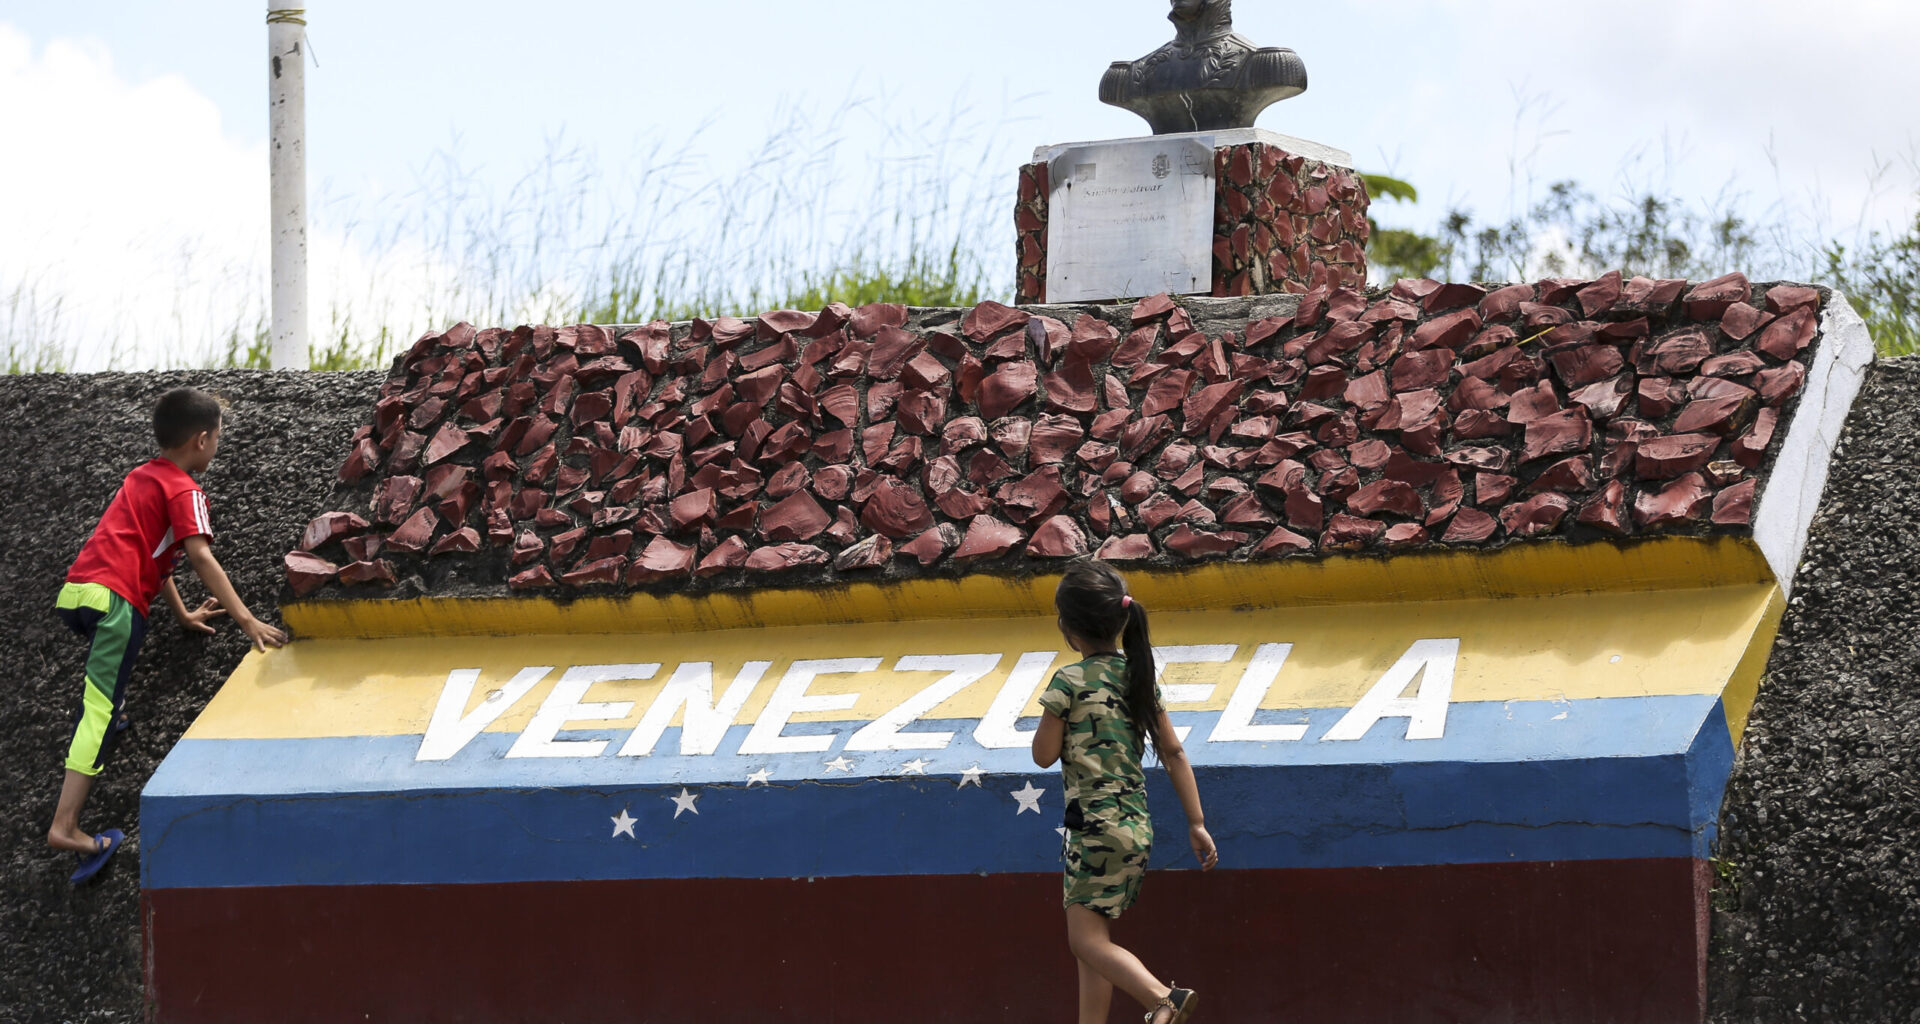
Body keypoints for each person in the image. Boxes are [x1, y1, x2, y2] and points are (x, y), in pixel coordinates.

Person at [48, 386, 286, 884]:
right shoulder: (186, 490)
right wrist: (247, 621)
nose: (217, 445)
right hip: (116, 605)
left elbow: (156, 556)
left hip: (81, 594)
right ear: (201, 440)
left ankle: (110, 715)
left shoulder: (143, 477)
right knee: (97, 710)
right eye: (218, 437)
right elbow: (198, 555)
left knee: (106, 695)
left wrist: (180, 614)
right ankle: (67, 827)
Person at [1033, 560, 1218, 1024]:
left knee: (1084, 941)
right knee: (1094, 943)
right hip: (1135, 827)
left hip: (1093, 828)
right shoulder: (1138, 680)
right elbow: (1174, 753)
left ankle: (1163, 998)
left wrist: (1054, 718)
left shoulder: (1068, 682)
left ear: (1067, 626)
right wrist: (1196, 824)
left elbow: (1042, 755)